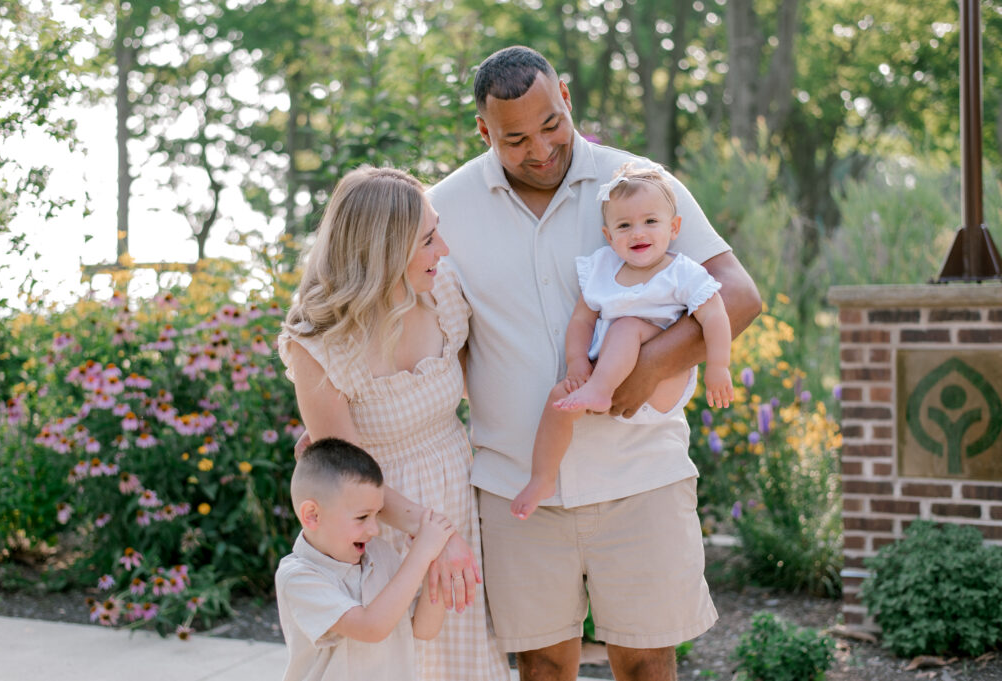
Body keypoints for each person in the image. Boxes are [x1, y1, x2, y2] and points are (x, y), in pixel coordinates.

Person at [426, 46, 762, 681]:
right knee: (545, 666)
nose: (541, 148)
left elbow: (739, 295)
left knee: (645, 663)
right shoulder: (446, 208)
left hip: (640, 475)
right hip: (515, 483)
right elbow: (418, 323)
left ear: (567, 99)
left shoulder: (637, 184)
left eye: (552, 123)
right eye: (515, 138)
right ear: (482, 131)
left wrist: (646, 367)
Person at [278, 167, 510, 681]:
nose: (444, 250)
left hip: (457, 495)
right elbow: (346, 473)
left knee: (465, 656)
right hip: (378, 523)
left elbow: (484, 386)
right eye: (428, 240)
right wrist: (433, 535)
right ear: (384, 252)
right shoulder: (317, 341)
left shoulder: (442, 291)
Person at [510, 162, 734, 520]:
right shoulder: (602, 268)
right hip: (610, 373)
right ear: (609, 235)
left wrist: (719, 367)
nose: (637, 232)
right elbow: (582, 319)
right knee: (557, 399)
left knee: (628, 325)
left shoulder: (681, 271)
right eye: (624, 225)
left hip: (663, 379)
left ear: (673, 227)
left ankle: (598, 390)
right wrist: (577, 363)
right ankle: (543, 478)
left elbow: (716, 315)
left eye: (650, 222)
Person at [275, 437, 453, 681]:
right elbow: (371, 628)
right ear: (312, 515)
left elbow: (424, 629)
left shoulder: (380, 553)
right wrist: (420, 554)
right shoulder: (297, 577)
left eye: (376, 515)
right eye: (362, 517)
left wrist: (435, 564)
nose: (374, 529)